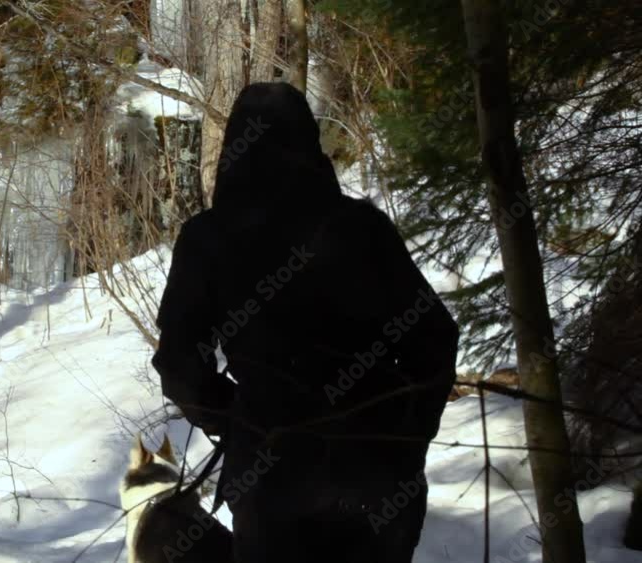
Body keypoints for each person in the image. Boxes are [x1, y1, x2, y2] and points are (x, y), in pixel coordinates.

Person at [151, 82, 459, 562]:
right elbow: (434, 339)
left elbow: (178, 364)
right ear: (310, 145)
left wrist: (232, 415)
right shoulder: (364, 227)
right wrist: (405, 433)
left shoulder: (208, 238)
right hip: (376, 470)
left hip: (272, 473)